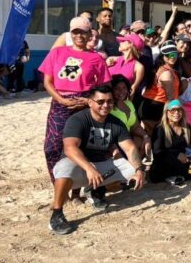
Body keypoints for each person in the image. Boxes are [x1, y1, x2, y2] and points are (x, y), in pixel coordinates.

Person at [48, 84, 145, 235]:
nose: (106, 105)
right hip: (79, 166)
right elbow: (70, 148)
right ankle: (57, 213)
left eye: (110, 101)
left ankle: (95, 190)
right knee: (64, 168)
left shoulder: (116, 123)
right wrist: (89, 168)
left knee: (131, 170)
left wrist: (139, 170)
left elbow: (130, 148)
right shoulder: (78, 119)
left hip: (101, 167)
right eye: (100, 102)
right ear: (90, 102)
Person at [39, 16, 112, 181]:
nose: (79, 36)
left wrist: (88, 102)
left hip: (85, 104)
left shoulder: (96, 58)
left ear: (89, 34)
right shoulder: (57, 52)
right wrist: (61, 100)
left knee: (83, 147)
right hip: (60, 102)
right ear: (70, 33)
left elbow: (105, 87)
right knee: (52, 148)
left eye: (83, 32)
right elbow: (47, 82)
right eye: (75, 32)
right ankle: (58, 182)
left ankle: (79, 188)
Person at [150, 100, 191, 183]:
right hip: (165, 164)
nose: (176, 113)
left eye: (179, 110)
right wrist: (176, 155)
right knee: (169, 158)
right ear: (166, 112)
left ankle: (185, 175)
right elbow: (157, 152)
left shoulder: (186, 127)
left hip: (183, 163)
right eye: (172, 110)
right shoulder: (160, 128)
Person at [138, 41, 181, 133]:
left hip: (152, 107)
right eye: (168, 54)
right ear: (162, 56)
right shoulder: (166, 73)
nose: (172, 57)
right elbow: (170, 99)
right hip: (154, 109)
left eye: (174, 54)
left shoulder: (168, 69)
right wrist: (172, 115)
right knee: (157, 139)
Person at [110, 74, 152, 160]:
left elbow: (135, 126)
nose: (121, 91)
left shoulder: (129, 104)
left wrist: (146, 137)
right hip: (116, 144)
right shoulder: (109, 108)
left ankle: (135, 168)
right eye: (117, 88)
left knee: (142, 141)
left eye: (124, 87)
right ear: (111, 90)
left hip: (128, 139)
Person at [108, 33, 145, 98]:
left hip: (121, 102)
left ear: (131, 44)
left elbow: (132, 91)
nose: (120, 43)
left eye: (123, 41)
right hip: (106, 100)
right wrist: (105, 65)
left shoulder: (139, 67)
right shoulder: (111, 59)